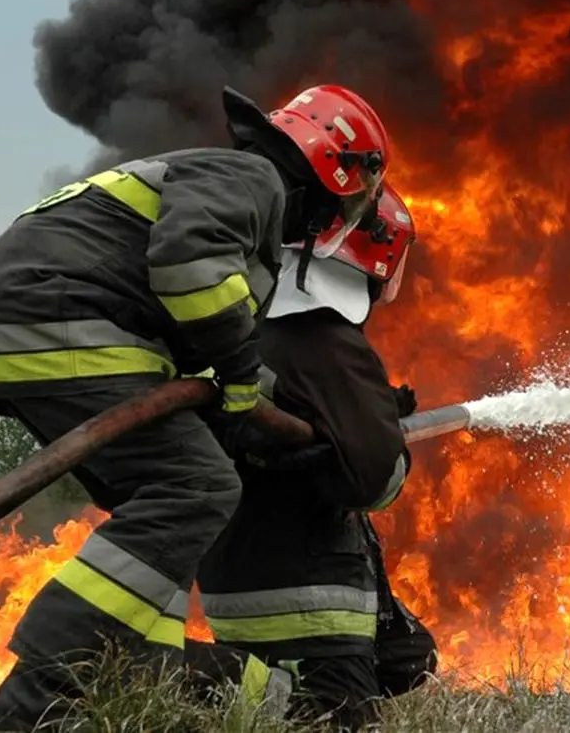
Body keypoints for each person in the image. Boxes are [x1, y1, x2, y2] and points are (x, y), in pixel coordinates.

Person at [0, 83, 395, 732]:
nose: (342, 217)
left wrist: (264, 408)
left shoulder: (223, 181)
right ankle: (40, 693)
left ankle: (133, 673)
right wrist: (244, 375)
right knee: (197, 486)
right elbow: (190, 268)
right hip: (62, 314)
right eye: (354, 199)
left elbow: (195, 342)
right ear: (334, 169)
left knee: (159, 509)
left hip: (26, 318)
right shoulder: (253, 179)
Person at [187, 181, 437, 730]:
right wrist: (385, 440)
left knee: (410, 658)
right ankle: (199, 681)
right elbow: (376, 481)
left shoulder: (246, 327)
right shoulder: (326, 338)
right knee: (329, 716)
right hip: (310, 602)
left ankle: (251, 690)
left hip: (236, 586)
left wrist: (364, 417)